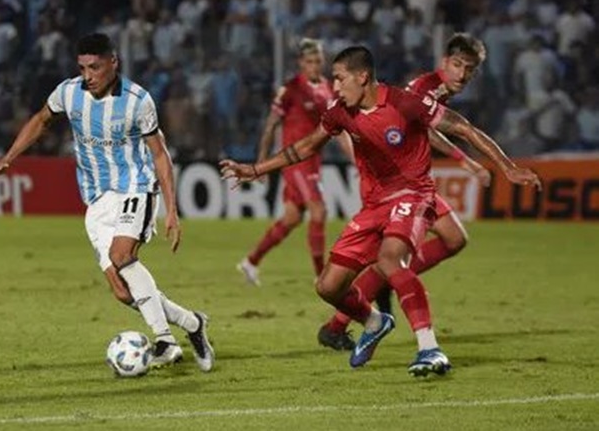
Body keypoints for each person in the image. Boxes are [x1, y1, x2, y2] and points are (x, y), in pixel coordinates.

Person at [221, 46, 540, 376]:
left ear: (363, 77)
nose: (335, 86)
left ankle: (430, 348)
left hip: (414, 195)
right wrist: (257, 169)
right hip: (374, 205)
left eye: (340, 78)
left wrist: (508, 168)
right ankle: (374, 321)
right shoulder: (341, 110)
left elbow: (463, 128)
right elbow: (306, 146)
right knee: (328, 287)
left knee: (391, 259)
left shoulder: (405, 102)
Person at [0, 33, 214, 372]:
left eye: (94, 67)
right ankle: (193, 324)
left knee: (122, 256)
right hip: (95, 197)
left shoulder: (138, 101)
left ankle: (164, 340)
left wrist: (172, 212)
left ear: (112, 64)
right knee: (122, 291)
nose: (87, 75)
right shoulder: (69, 92)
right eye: (82, 68)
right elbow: (41, 120)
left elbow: (160, 156)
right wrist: (9, 158)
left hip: (135, 186)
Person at [318, 33, 494, 348]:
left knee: (453, 239)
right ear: (444, 62)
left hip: (409, 181)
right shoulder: (425, 89)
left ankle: (354, 310)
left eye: (471, 69)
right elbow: (422, 127)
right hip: (393, 184)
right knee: (400, 257)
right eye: (458, 65)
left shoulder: (436, 90)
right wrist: (466, 162)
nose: (462, 74)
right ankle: (342, 321)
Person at [236, 39, 334, 286]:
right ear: (301, 63)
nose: (314, 66)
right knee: (319, 211)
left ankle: (251, 262)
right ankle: (321, 276)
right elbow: (271, 125)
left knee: (291, 218)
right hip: (296, 162)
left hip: (314, 160)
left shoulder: (328, 88)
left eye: (318, 61)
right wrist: (261, 162)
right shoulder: (291, 89)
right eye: (309, 61)